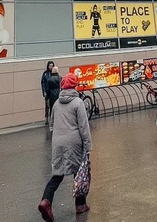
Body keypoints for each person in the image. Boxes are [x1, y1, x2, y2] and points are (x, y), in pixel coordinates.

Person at [38, 73, 91, 221]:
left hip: (58, 142)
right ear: (74, 86)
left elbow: (52, 123)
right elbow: (84, 127)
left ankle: (46, 200)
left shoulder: (56, 103)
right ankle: (80, 205)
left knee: (57, 174)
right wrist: (88, 146)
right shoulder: (78, 103)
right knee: (79, 173)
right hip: (74, 142)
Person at [43, 64, 61, 129]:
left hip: (52, 96)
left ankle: (52, 123)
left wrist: (47, 96)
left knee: (52, 109)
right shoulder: (60, 78)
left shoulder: (49, 79)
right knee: (59, 108)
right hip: (59, 95)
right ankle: (59, 122)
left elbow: (47, 89)